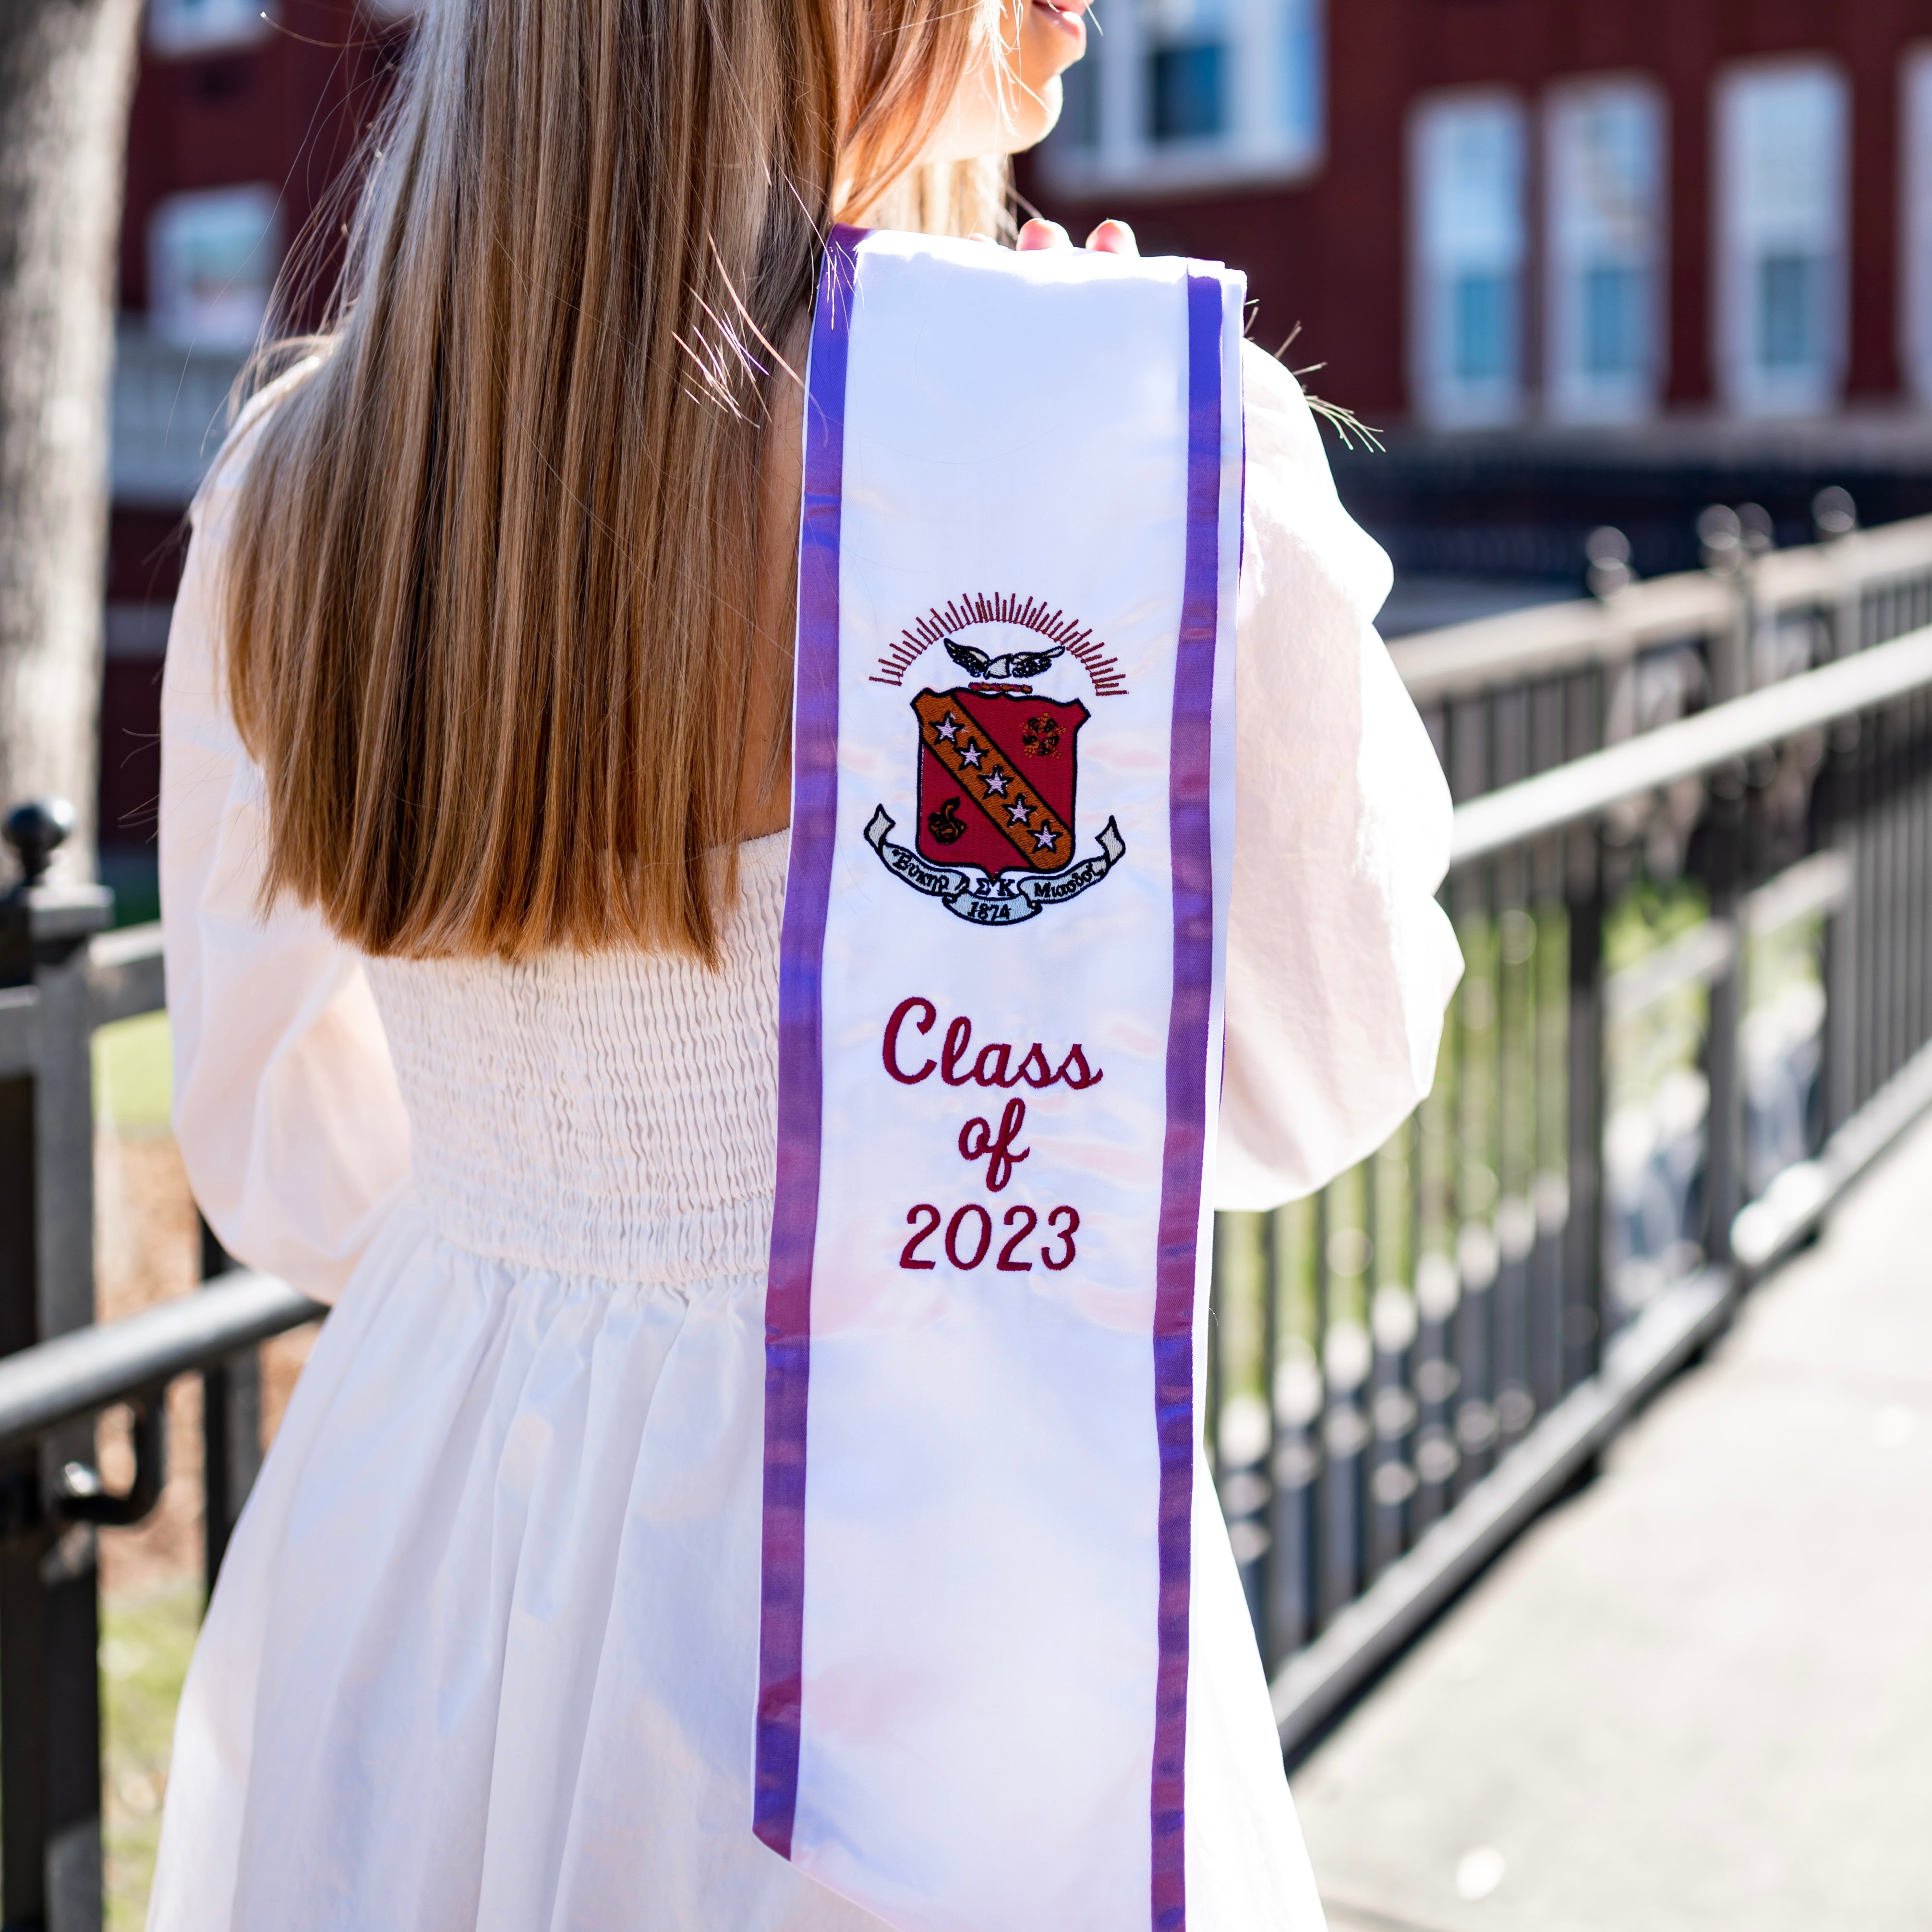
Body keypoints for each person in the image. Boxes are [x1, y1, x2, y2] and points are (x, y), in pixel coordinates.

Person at [151, 0, 1461, 1923]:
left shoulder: (304, 488)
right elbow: (1311, 1078)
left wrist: (560, 1203)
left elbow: (290, 1158)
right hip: (903, 1542)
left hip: (427, 1515)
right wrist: (1130, 481)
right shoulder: (1069, 454)